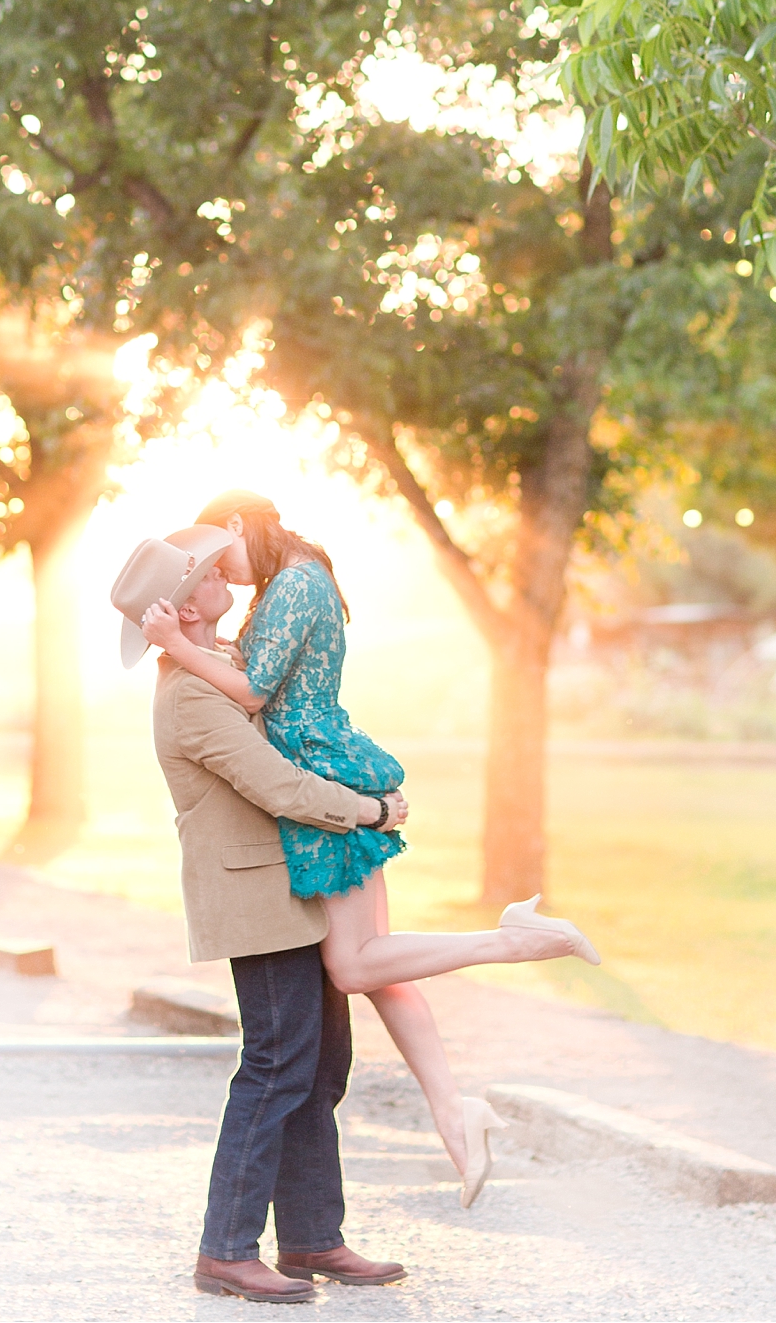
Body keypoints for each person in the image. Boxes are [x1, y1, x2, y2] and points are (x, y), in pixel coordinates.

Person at [142, 489, 600, 1208]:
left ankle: (510, 940)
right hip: (319, 768)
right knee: (378, 967)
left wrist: (172, 645)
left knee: (356, 964)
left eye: (217, 555)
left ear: (237, 524)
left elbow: (256, 693)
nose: (225, 577)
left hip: (322, 771)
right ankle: (455, 1114)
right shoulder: (287, 578)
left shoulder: (292, 582)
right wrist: (186, 644)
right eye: (208, 574)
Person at [129, 524, 411, 1304]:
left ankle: (314, 1234)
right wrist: (372, 809)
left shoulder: (216, 668)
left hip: (288, 891)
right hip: (255, 900)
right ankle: (225, 1248)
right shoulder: (190, 692)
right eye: (208, 574)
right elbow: (280, 787)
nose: (227, 575)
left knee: (319, 1065)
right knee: (276, 1063)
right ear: (185, 608)